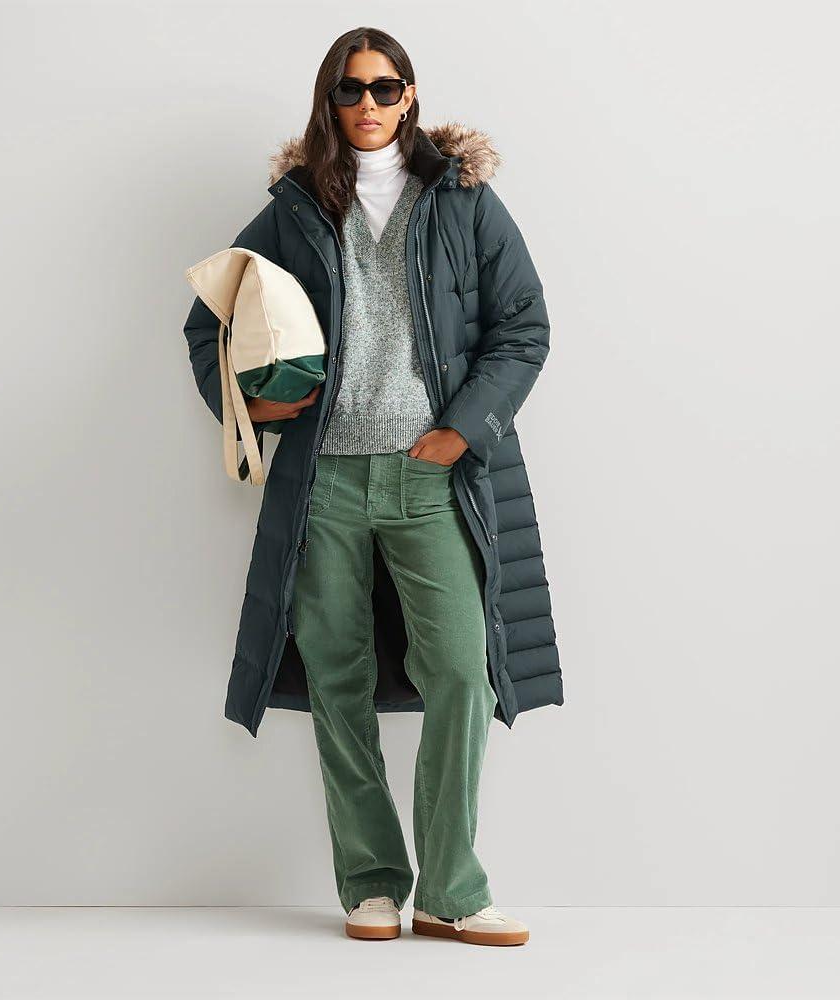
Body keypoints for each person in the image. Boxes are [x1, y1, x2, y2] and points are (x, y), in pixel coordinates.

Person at [182, 26, 561, 947]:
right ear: (329, 101)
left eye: (384, 88)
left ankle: (452, 889)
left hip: (432, 480)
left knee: (462, 672)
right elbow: (208, 322)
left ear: (411, 95)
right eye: (349, 91)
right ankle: (372, 882)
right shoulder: (296, 205)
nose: (367, 105)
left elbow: (523, 324)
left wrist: (460, 430)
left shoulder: (463, 199)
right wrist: (254, 405)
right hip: (324, 483)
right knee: (338, 679)